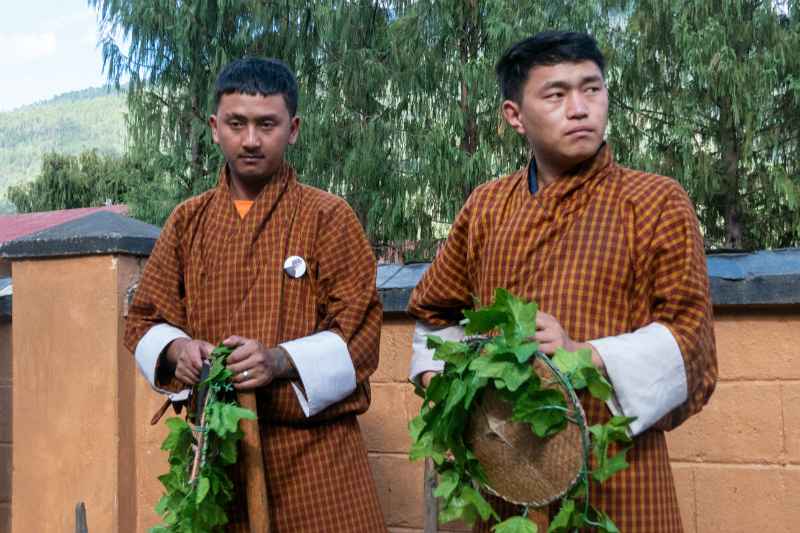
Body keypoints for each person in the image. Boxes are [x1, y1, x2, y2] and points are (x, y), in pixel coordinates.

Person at [407, 31, 717, 532]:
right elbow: (433, 310)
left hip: (615, 469)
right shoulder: (486, 207)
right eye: (556, 94)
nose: (579, 109)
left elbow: (691, 341)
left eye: (591, 89)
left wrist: (583, 353)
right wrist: (445, 384)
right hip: (507, 467)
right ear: (515, 115)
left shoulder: (657, 202)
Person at [125, 57, 386, 533]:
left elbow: (361, 336)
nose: (250, 140)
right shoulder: (187, 222)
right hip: (218, 457)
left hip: (317, 460)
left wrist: (279, 362)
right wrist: (177, 350)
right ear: (214, 127)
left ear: (293, 128)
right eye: (236, 123)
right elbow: (143, 318)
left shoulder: (328, 217)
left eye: (267, 124)